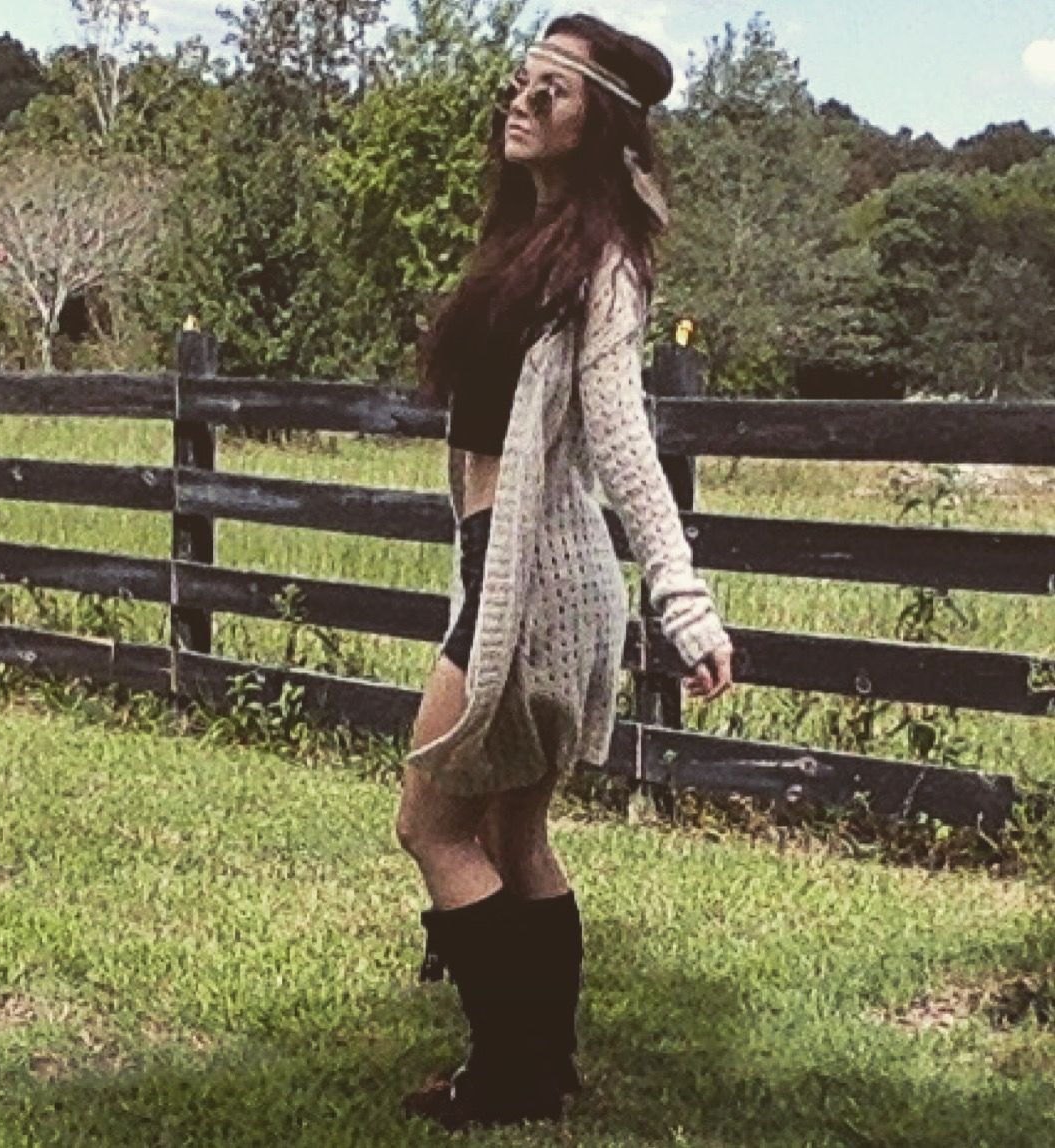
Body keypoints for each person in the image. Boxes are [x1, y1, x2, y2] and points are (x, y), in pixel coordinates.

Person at [395, 11, 734, 1132]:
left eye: (553, 93)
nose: (522, 102)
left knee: (432, 826)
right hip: (519, 568)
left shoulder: (603, 264)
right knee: (512, 834)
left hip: (534, 582)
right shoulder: (526, 242)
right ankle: (544, 1065)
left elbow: (625, 441)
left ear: (600, 129)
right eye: (520, 82)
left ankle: (508, 1076)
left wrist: (683, 601)